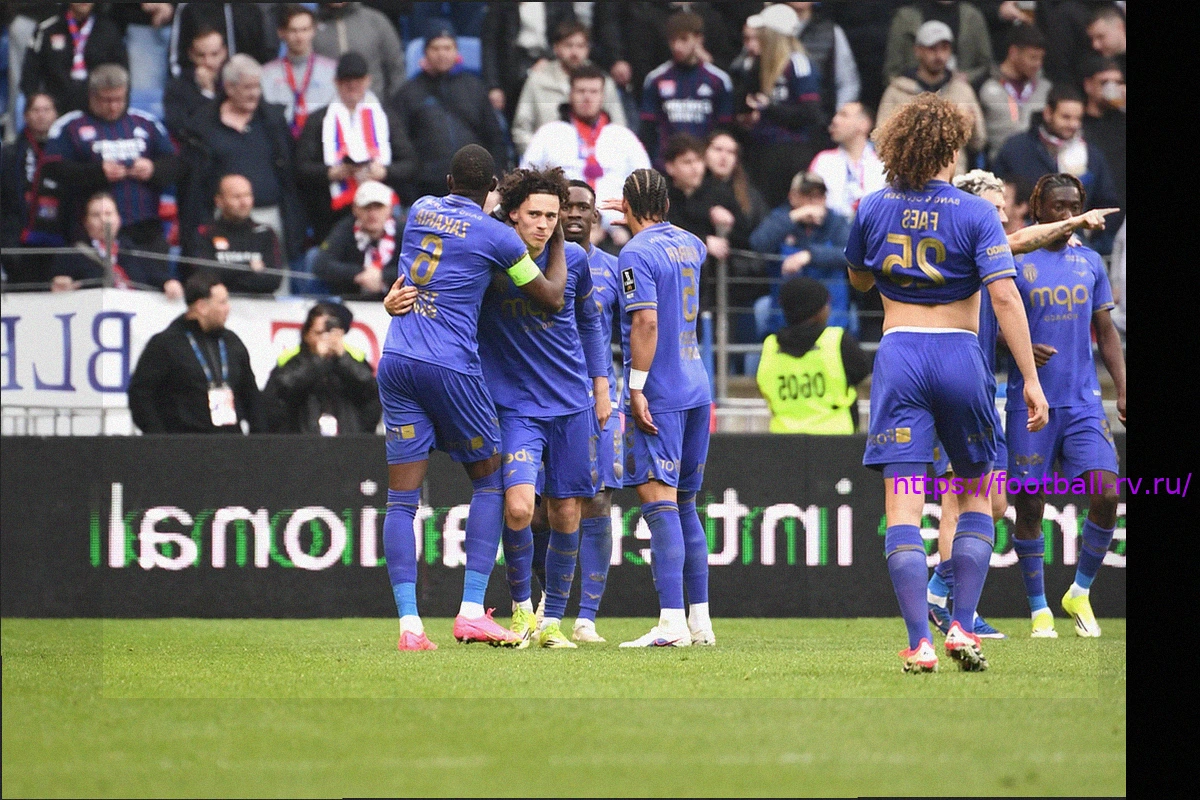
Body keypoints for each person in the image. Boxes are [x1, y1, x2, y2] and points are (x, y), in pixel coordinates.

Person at [843, 93, 1049, 673]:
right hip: (960, 354)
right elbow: (1004, 296)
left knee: (904, 505)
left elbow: (858, 279)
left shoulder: (872, 207)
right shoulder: (975, 212)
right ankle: (961, 624)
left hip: (900, 354)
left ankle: (920, 642)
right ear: (950, 150)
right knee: (975, 493)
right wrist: (1030, 379)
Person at [374, 143, 569, 651]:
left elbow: (416, 275)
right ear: (493, 191)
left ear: (448, 181)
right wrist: (558, 236)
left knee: (401, 500)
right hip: (450, 366)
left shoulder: (419, 210)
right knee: (490, 481)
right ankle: (470, 613)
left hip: (397, 358)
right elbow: (550, 296)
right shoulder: (498, 237)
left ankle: (410, 627)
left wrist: (391, 301)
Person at [926, 168, 1118, 640]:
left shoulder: (1067, 259)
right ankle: (957, 606)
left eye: (1000, 208)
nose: (999, 217)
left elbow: (1006, 311)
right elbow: (992, 305)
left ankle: (943, 590)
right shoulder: (974, 250)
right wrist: (1021, 352)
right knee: (964, 502)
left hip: (997, 392)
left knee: (993, 503)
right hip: (959, 386)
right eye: (992, 208)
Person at [477, 167, 608, 649]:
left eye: (551, 215)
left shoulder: (574, 259)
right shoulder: (492, 259)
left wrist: (601, 385)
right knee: (518, 507)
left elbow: (590, 322)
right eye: (535, 214)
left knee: (566, 512)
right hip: (516, 407)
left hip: (571, 403)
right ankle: (521, 611)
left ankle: (552, 620)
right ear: (513, 214)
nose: (545, 223)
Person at [1005, 172, 1125, 639]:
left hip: (1082, 403)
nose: (1068, 214)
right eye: (1058, 206)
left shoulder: (1090, 262)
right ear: (1038, 210)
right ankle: (1039, 609)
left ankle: (1079, 591)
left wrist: (1122, 387)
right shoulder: (1016, 259)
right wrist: (1018, 347)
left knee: (1107, 493)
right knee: (1029, 506)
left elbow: (1106, 332)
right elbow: (991, 326)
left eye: (1074, 206)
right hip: (1030, 403)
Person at [600, 168, 715, 648]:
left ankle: (670, 623)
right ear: (667, 206)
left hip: (660, 391)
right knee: (685, 503)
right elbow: (689, 249)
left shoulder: (635, 253)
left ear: (626, 206)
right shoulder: (691, 244)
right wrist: (640, 214)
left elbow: (645, 322)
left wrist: (636, 387)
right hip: (697, 385)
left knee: (659, 502)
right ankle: (700, 623)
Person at [41, 64, 179, 294]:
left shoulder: (146, 122)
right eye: (106, 100)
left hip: (143, 230)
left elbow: (176, 164)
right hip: (90, 233)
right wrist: (96, 172)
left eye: (118, 99)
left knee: (152, 289)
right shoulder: (71, 126)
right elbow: (52, 169)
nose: (113, 106)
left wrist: (153, 169)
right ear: (92, 96)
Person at [555, 178, 624, 642]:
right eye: (567, 206)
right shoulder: (533, 264)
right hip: (545, 397)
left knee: (599, 501)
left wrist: (632, 392)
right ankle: (546, 610)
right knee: (542, 508)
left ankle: (587, 618)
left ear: (595, 216)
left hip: (600, 399)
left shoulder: (614, 270)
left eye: (583, 207)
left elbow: (633, 333)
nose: (575, 214)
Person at [179, 55, 307, 267]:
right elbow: (194, 185)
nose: (255, 93)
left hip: (270, 217)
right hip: (222, 223)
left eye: (257, 86)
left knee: (272, 280)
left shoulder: (273, 121)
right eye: (248, 87)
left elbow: (289, 173)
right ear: (229, 88)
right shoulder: (203, 126)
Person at [296, 51, 416, 241]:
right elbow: (302, 167)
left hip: (382, 209)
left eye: (358, 80)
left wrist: (384, 172)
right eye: (346, 80)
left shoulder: (386, 117)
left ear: (368, 80)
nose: (352, 85)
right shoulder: (318, 120)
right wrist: (331, 173)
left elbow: (410, 163)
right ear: (336, 82)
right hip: (334, 213)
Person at [520, 64, 651, 234]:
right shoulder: (549, 134)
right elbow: (526, 181)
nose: (587, 97)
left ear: (603, 96)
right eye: (581, 91)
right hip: (560, 228)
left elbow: (646, 188)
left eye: (594, 92)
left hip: (617, 230)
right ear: (570, 94)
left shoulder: (623, 137)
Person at [128, 271, 263, 435]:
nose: (228, 308)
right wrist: (161, 440)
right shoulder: (166, 344)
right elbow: (141, 395)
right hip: (185, 443)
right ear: (201, 307)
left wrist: (258, 440)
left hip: (230, 442)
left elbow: (251, 395)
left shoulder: (232, 342)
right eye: (222, 302)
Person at [992, 85, 1120, 249]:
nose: (1073, 124)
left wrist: (1094, 243)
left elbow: (1107, 201)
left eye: (1078, 119)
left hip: (1077, 244)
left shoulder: (1091, 155)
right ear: (1048, 113)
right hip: (1024, 242)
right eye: (1066, 117)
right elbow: (995, 196)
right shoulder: (1016, 149)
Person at [390, 23, 507, 201]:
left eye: (447, 48)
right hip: (427, 190)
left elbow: (495, 138)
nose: (442, 54)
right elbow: (401, 147)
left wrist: (496, 177)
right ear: (425, 52)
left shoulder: (474, 87)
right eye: (435, 48)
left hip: (476, 186)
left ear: (456, 51)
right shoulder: (408, 93)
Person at [735, 3, 826, 210]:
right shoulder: (757, 64)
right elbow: (744, 103)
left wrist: (769, 108)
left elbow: (810, 113)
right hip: (762, 150)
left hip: (791, 151)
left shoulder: (798, 64)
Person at [755, 276, 871, 434]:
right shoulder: (837, 340)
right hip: (837, 439)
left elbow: (763, 384)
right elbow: (862, 371)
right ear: (818, 310)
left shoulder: (770, 346)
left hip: (784, 440)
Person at [877, 20, 986, 178]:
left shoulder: (962, 90)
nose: (939, 55)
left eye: (944, 48)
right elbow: (882, 141)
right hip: (908, 179)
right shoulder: (897, 91)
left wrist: (969, 124)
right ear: (918, 50)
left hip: (953, 178)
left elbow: (979, 142)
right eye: (932, 48)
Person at [749, 171, 851, 340]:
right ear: (793, 197)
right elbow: (758, 243)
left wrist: (810, 255)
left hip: (831, 321)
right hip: (785, 323)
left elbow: (849, 253)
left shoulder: (835, 222)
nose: (813, 203)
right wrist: (794, 217)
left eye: (819, 197)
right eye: (807, 196)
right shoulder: (780, 218)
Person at [510, 19, 627, 158]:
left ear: (588, 49)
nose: (574, 52)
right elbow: (521, 129)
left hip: (596, 161)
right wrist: (540, 157)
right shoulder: (537, 81)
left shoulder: (602, 82)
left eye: (580, 46)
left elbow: (619, 128)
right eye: (568, 45)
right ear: (556, 48)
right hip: (547, 163)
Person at [262, 302, 381, 435]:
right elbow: (280, 394)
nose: (325, 338)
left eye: (330, 332)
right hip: (303, 441)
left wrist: (343, 358)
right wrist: (317, 361)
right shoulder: (292, 361)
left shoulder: (352, 360)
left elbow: (371, 392)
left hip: (347, 441)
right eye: (319, 333)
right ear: (307, 335)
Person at [662, 133, 751, 305]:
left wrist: (730, 223)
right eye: (687, 162)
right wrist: (702, 242)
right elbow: (662, 231)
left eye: (699, 161)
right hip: (672, 282)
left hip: (715, 287)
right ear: (671, 167)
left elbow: (745, 237)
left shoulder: (718, 192)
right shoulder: (662, 195)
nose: (695, 168)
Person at [638, 11, 734, 168]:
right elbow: (648, 129)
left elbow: (724, 129)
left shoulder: (719, 80)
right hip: (667, 166)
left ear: (698, 39)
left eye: (683, 39)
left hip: (705, 165)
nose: (677, 46)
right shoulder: (656, 79)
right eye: (673, 40)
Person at [49, 191, 172, 293]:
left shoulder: (136, 253)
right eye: (96, 215)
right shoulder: (70, 255)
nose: (103, 220)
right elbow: (53, 287)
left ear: (118, 219)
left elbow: (159, 278)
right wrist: (61, 285)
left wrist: (169, 284)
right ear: (86, 222)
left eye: (108, 214)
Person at [20, 2, 127, 115]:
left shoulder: (109, 31)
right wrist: (41, 106)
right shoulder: (47, 29)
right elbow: (30, 75)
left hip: (97, 110)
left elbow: (122, 73)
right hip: (56, 109)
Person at [183, 174, 283, 295]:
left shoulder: (265, 233)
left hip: (259, 303)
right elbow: (204, 277)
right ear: (219, 201)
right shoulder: (204, 233)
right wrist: (249, 268)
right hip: (217, 302)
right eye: (237, 197)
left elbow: (274, 280)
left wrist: (225, 271)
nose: (244, 202)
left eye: (247, 195)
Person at [480, 1, 581, 117]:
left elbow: (569, 33)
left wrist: (549, 58)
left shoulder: (561, 4)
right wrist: (493, 86)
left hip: (553, 61)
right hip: (513, 66)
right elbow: (490, 45)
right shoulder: (501, 4)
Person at [1, 92, 61, 284]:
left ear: (56, 114)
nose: (41, 115)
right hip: (19, 241)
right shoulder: (10, 154)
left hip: (59, 239)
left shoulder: (68, 150)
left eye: (46, 110)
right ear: (26, 115)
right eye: (36, 110)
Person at [977, 23, 1051, 163]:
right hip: (997, 164)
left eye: (1041, 59)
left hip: (1037, 165)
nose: (1038, 64)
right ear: (1013, 53)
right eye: (1033, 58)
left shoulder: (1045, 88)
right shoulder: (983, 84)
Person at [261, 5, 338, 139]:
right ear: (281, 32)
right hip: (281, 139)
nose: (299, 37)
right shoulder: (266, 74)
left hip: (321, 139)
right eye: (293, 30)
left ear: (314, 30)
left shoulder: (332, 70)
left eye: (304, 30)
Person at [312, 180, 399, 298]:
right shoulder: (345, 229)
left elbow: (417, 268)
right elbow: (321, 264)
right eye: (367, 207)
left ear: (390, 209)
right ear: (355, 209)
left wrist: (383, 275)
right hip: (350, 298)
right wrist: (359, 273)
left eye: (379, 207)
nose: (372, 214)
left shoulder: (403, 231)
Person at [882, 0, 994, 89]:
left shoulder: (972, 16)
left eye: (944, 48)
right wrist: (909, 85)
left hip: (959, 88)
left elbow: (986, 64)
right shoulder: (905, 17)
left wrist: (967, 77)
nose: (939, 53)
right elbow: (892, 71)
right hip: (912, 89)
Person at [312, 2, 407, 102]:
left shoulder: (375, 21)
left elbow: (396, 68)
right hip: (326, 106)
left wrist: (393, 106)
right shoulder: (309, 26)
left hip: (374, 105)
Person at [807, 101, 886, 220]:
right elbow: (809, 201)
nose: (835, 120)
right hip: (830, 228)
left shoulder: (883, 164)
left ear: (864, 124)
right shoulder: (823, 161)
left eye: (844, 115)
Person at [787, 1, 862, 123]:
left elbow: (847, 82)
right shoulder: (766, 28)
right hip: (773, 120)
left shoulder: (830, 31)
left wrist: (838, 118)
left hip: (819, 121)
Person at [168, 3, 275, 79]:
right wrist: (195, 79)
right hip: (199, 90)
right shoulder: (190, 8)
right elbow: (177, 62)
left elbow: (263, 58)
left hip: (245, 89)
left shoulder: (252, 9)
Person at [162, 25, 227, 141]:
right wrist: (207, 92)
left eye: (214, 54)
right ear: (191, 55)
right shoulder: (177, 88)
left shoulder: (234, 84)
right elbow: (182, 128)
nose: (208, 62)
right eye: (201, 55)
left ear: (224, 53)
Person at [1080, 55, 1125, 217]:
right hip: (1093, 209)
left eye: (1118, 83)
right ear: (1088, 85)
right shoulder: (1077, 123)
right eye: (1104, 83)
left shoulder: (1122, 121)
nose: (1112, 88)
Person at [1086, 5, 1125, 79]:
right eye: (1092, 39)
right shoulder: (1096, 67)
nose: (1095, 45)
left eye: (1101, 36)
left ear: (1120, 27)